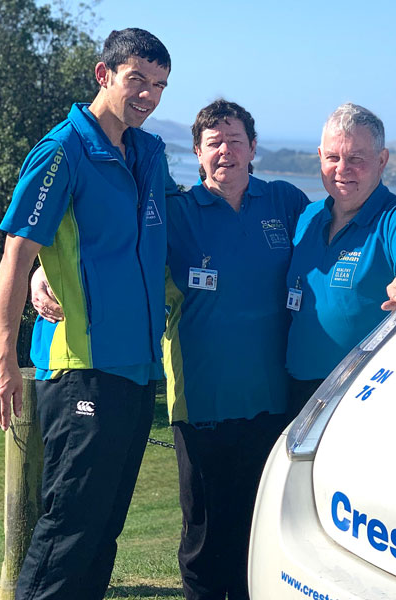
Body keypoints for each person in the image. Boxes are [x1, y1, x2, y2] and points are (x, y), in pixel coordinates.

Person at [0, 28, 172, 600]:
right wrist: (1, 360)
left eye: (159, 85)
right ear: (104, 75)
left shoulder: (150, 153)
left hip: (137, 374)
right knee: (68, 530)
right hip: (80, 369)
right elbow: (16, 257)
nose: (148, 95)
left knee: (102, 534)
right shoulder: (61, 150)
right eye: (136, 79)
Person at [164, 99, 308, 600]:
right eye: (214, 143)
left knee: (258, 529)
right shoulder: (176, 212)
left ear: (253, 148)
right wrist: (42, 272)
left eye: (236, 140)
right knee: (204, 534)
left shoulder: (285, 202)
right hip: (203, 401)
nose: (226, 150)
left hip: (274, 402)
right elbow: (116, 249)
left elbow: (343, 233)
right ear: (198, 155)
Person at [285, 103, 396, 411]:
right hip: (297, 391)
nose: (342, 169)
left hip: (364, 396)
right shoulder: (308, 218)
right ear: (319, 157)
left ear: (382, 161)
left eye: (356, 158)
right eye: (332, 157)